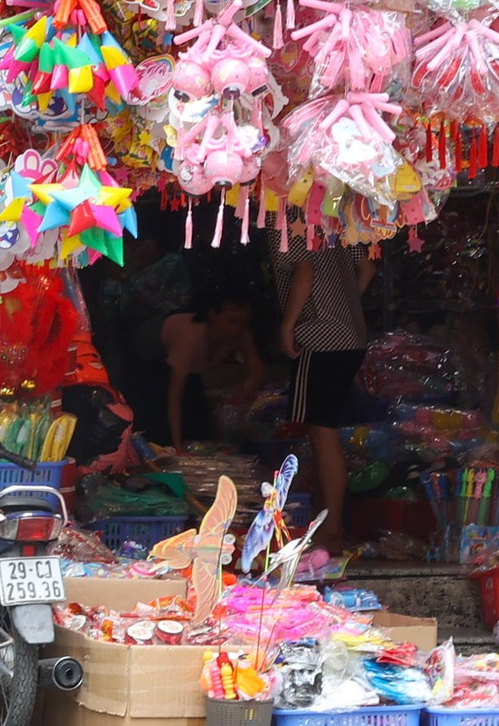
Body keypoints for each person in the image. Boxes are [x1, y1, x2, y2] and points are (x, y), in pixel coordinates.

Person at [271, 230, 374, 548]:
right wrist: (344, 311)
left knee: (321, 429)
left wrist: (287, 326)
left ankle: (329, 530)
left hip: (319, 338)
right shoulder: (332, 214)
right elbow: (367, 268)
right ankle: (328, 524)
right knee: (323, 427)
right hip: (351, 335)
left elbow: (305, 270)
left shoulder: (286, 214)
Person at [127, 293, 264, 453]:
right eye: (232, 321)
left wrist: (248, 384)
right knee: (156, 415)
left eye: (243, 323)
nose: (237, 328)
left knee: (199, 419)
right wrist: (177, 446)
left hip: (185, 363)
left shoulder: (240, 335)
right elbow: (175, 397)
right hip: (147, 355)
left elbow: (258, 370)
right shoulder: (190, 338)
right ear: (213, 315)